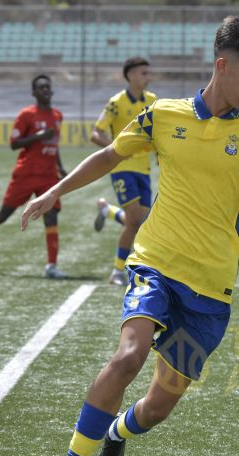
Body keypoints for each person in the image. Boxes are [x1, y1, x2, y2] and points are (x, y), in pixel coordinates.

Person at [25, 15, 239, 456]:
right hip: (154, 264)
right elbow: (110, 155)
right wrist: (54, 191)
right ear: (223, 65)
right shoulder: (164, 116)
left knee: (157, 406)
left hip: (211, 293)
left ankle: (116, 436)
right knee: (129, 355)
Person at [0, 75, 68, 279]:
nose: (45, 90)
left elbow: (53, 146)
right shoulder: (26, 115)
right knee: (3, 215)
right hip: (26, 173)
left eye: (48, 87)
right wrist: (38, 136)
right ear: (34, 93)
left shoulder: (57, 115)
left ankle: (51, 266)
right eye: (41, 87)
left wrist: (60, 167)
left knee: (51, 215)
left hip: (48, 175)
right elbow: (14, 144)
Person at [91, 56, 157, 286]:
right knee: (136, 221)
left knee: (138, 223)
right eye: (143, 73)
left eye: (148, 73)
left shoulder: (153, 101)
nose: (148, 78)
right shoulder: (116, 102)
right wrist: (115, 150)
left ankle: (107, 211)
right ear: (130, 75)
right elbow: (96, 133)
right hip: (122, 167)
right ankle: (117, 272)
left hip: (144, 168)